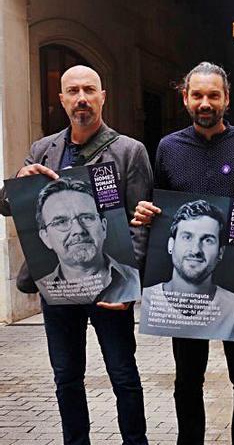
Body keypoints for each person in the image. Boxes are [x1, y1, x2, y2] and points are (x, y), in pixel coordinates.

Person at [131, 61, 234, 445]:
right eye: (197, 95)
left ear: (226, 99)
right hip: (186, 285)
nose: (205, 102)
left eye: (213, 95)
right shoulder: (168, 148)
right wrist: (147, 212)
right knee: (187, 378)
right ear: (185, 98)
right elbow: (158, 205)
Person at [0, 65, 151, 444]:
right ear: (62, 99)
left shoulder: (129, 151)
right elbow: (9, 206)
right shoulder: (42, 150)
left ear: (103, 96)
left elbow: (140, 221)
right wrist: (19, 180)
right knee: (66, 376)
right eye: (73, 91)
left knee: (123, 375)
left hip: (108, 289)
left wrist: (125, 286)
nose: (81, 97)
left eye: (89, 90)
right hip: (60, 288)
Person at [141, 200, 234, 340]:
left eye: (208, 240)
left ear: (221, 252)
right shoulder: (147, 302)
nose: (196, 250)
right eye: (187, 237)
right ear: (171, 245)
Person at [35, 177, 140, 304]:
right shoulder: (44, 289)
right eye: (61, 222)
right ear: (45, 237)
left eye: (87, 218)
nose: (78, 230)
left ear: (103, 227)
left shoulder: (133, 280)